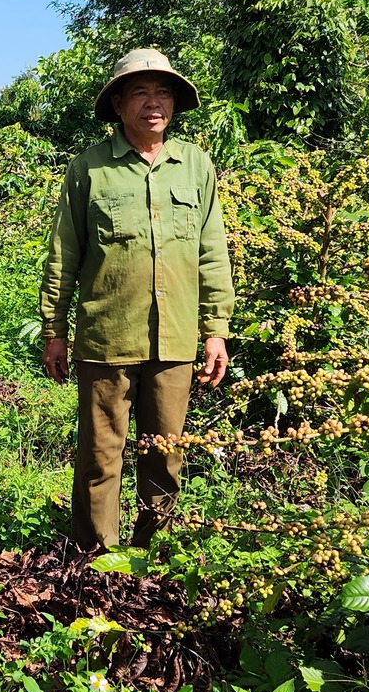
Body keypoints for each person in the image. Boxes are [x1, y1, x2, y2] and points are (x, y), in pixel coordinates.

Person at [39, 47, 233, 552]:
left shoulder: (195, 166)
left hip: (175, 338)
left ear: (175, 103)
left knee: (165, 454)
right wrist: (54, 331)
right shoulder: (89, 170)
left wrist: (216, 330)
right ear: (120, 103)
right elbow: (64, 253)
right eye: (142, 92)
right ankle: (95, 561)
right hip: (107, 336)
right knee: (101, 456)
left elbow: (212, 251)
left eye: (163, 92)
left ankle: (151, 558)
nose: (154, 103)